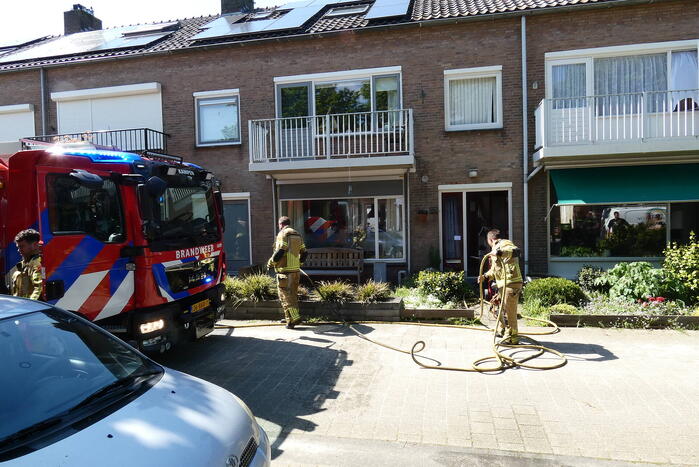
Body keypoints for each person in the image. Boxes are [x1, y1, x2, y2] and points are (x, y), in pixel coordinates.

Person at [478, 229, 523, 344]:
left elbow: (516, 251)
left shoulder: (504, 243)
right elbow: (495, 270)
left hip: (511, 283)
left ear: (490, 239)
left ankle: (512, 337)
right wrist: (484, 276)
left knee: (509, 312)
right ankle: (502, 329)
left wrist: (499, 252)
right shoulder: (494, 249)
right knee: (496, 306)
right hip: (503, 285)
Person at [268, 216, 307, 329]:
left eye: (279, 225)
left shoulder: (283, 234)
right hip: (295, 272)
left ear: (280, 224)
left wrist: (270, 263)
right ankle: (289, 318)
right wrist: (299, 263)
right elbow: (305, 253)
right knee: (293, 296)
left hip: (284, 272)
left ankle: (292, 320)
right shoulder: (297, 234)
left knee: (285, 297)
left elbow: (280, 251)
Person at [10, 229, 43, 300]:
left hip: (28, 305)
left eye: (22, 246)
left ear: (34, 245)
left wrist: (28, 305)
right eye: (18, 247)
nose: (19, 250)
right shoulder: (24, 264)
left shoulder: (37, 264)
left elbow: (38, 288)